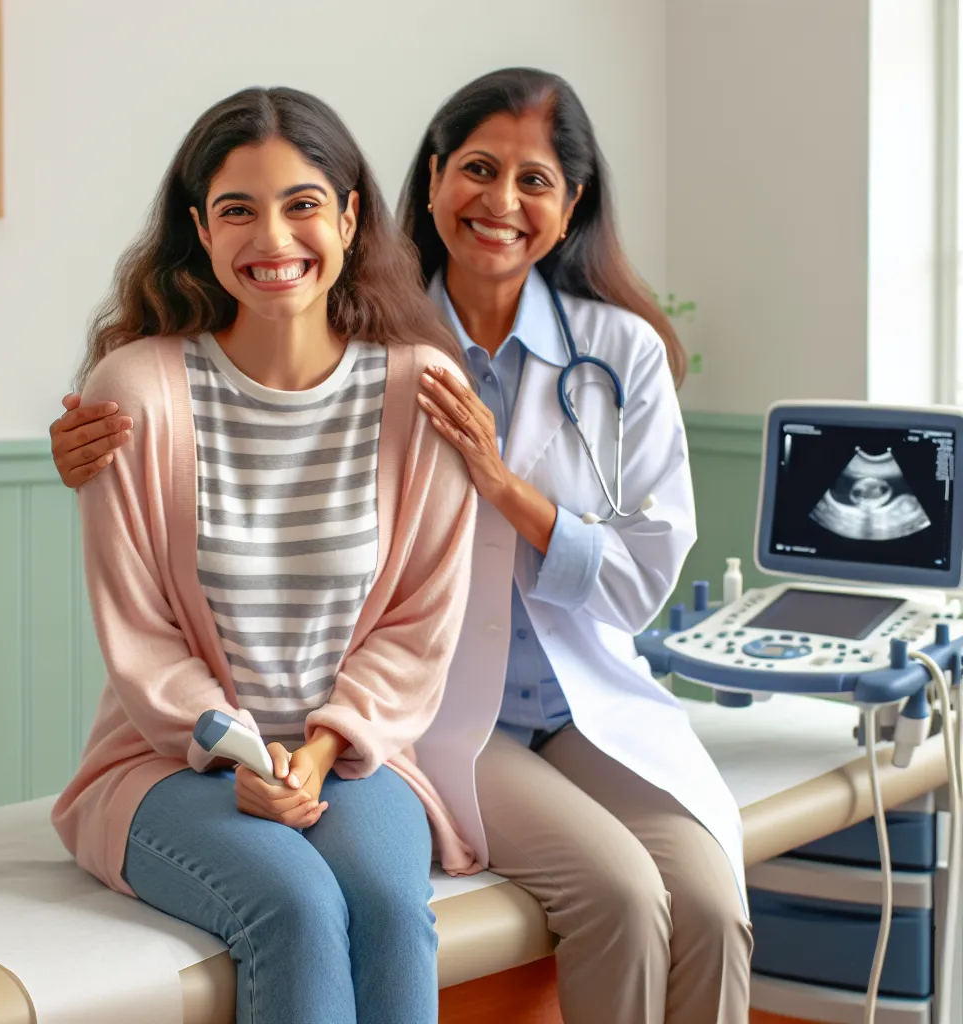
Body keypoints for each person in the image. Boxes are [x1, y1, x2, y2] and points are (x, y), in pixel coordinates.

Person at [50, 69, 751, 1024]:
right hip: (305, 738)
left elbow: (593, 589)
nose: (501, 203)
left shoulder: (490, 372)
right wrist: (257, 754)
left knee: (696, 902)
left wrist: (504, 484)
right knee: (336, 904)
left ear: (347, 217)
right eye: (477, 170)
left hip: (442, 725)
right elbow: (143, 630)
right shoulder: (159, 387)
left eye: (535, 180)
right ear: (428, 183)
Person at [49, 85, 481, 1024]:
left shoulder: (425, 391)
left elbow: (417, 626)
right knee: (292, 904)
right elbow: (142, 638)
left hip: (355, 757)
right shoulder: (136, 393)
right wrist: (237, 747)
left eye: (302, 205)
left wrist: (319, 752)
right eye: (238, 210)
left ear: (351, 216)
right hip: (169, 762)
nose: (272, 237)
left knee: (390, 909)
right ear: (201, 230)